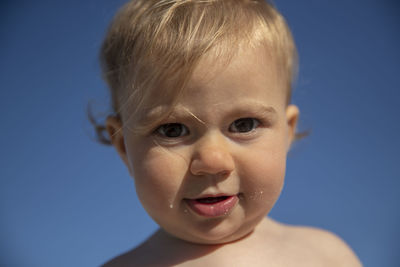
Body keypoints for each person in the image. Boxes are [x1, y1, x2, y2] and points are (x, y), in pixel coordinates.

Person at [95, 0, 362, 266]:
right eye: (172, 130)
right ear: (124, 147)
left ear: (287, 131)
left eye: (244, 125)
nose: (212, 161)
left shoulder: (325, 255)